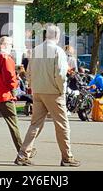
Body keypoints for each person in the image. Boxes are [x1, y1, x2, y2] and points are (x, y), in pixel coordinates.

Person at [15, 25, 80, 167]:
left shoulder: (36, 50)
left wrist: (32, 85)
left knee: (35, 124)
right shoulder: (58, 51)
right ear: (58, 36)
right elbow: (61, 74)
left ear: (45, 35)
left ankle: (23, 155)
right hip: (53, 92)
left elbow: (29, 71)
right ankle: (67, 157)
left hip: (38, 91)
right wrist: (61, 90)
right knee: (62, 125)